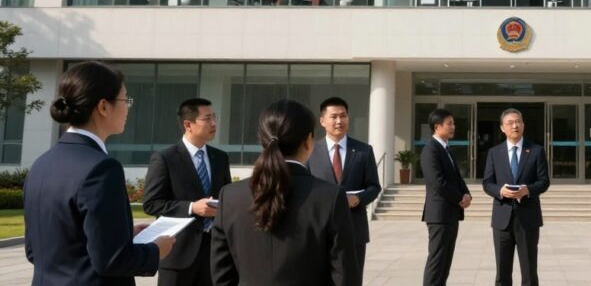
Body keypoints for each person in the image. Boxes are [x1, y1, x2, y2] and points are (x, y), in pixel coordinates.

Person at [24, 61, 175, 286]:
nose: (128, 108)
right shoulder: (101, 169)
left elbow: (35, 250)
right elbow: (112, 261)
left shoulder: (42, 164)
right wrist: (155, 250)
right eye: (126, 99)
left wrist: (122, 234)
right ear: (104, 107)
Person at [210, 99, 360, 286]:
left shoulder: (230, 196)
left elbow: (221, 276)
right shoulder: (330, 197)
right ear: (308, 141)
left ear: (263, 140)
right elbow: (345, 276)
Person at [143, 98, 232, 286]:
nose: (214, 123)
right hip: (177, 254)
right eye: (207, 119)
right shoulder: (165, 159)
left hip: (214, 254)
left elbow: (227, 198)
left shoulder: (220, 158)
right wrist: (192, 207)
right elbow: (152, 204)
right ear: (188, 124)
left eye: (214, 117)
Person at [308, 97, 382, 279]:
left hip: (354, 228)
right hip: (319, 230)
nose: (339, 121)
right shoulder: (310, 151)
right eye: (333, 116)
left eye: (343, 116)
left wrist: (359, 199)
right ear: (322, 121)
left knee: (353, 278)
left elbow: (374, 186)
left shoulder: (364, 150)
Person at [482, 108, 551, 286]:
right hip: (502, 219)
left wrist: (527, 190)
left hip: (528, 219)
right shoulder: (494, 153)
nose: (515, 125)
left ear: (523, 125)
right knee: (502, 273)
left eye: (518, 122)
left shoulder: (536, 151)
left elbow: (544, 181)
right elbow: (487, 183)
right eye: (510, 123)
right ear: (502, 128)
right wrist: (500, 191)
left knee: (529, 272)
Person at [420, 108, 472, 286]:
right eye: (449, 123)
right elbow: (438, 182)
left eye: (453, 123)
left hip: (450, 213)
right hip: (439, 215)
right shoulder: (430, 150)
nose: (453, 127)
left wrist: (466, 194)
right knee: (437, 261)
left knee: (445, 262)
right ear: (437, 127)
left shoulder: (446, 149)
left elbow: (457, 177)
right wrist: (459, 198)